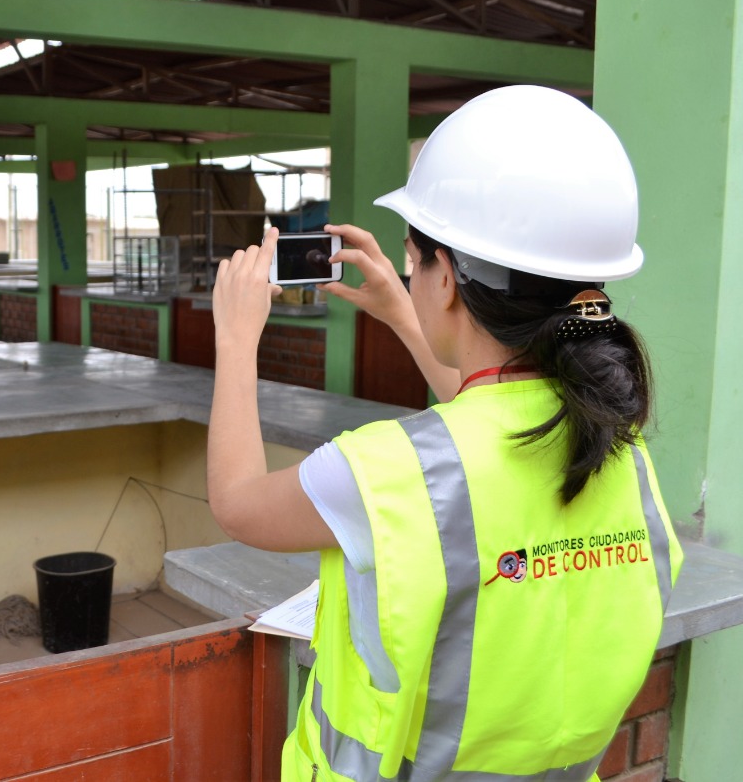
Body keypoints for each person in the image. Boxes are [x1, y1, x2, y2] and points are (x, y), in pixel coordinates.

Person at [207, 85, 682, 780]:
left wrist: (238, 335)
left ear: (449, 279)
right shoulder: (617, 443)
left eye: (414, 258)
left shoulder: (386, 471)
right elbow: (489, 420)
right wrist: (403, 310)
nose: (408, 271)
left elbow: (238, 500)